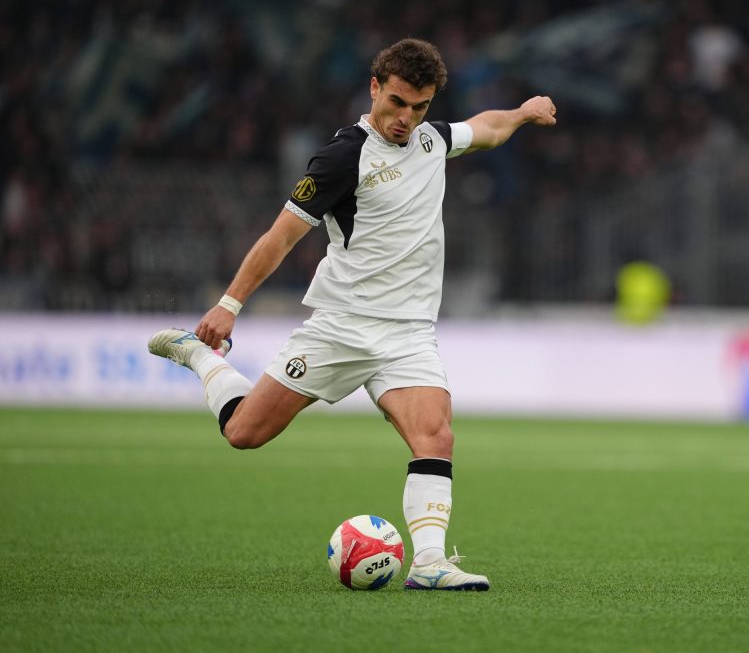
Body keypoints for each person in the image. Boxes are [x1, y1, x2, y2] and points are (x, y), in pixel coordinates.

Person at [148, 38, 557, 591]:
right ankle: (199, 357)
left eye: (420, 107)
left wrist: (524, 113)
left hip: (408, 333)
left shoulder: (431, 140)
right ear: (374, 88)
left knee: (435, 437)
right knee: (244, 433)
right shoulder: (343, 157)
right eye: (397, 102)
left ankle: (430, 563)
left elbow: (486, 128)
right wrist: (229, 304)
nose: (406, 118)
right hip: (342, 326)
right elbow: (280, 237)